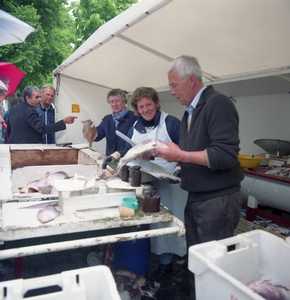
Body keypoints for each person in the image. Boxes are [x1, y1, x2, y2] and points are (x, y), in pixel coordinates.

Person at [155, 55, 244, 299]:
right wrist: (175, 159)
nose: (171, 92)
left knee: (215, 270)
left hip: (218, 202)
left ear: (191, 80)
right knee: (197, 265)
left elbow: (225, 155)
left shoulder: (219, 104)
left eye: (174, 85)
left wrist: (180, 154)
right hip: (196, 199)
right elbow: (192, 152)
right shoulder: (188, 112)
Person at [118, 86, 187, 281]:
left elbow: (186, 147)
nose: (146, 109)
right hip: (147, 182)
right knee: (154, 223)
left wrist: (179, 167)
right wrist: (114, 156)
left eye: (149, 104)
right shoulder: (135, 125)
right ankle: (164, 263)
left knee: (172, 221)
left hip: (171, 182)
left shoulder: (171, 123)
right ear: (136, 109)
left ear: (156, 103)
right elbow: (125, 148)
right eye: (141, 107)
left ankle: (183, 259)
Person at [7, 85, 77, 144]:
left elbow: (8, 129)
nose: (39, 100)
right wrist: (63, 122)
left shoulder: (13, 108)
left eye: (52, 95)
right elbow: (43, 128)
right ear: (27, 98)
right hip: (29, 148)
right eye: (36, 97)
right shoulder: (31, 111)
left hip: (14, 147)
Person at [92, 88, 138, 169]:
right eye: (112, 102)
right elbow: (97, 136)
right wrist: (90, 129)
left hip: (129, 163)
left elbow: (138, 142)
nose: (114, 104)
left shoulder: (135, 117)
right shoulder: (107, 119)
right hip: (111, 162)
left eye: (117, 101)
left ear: (124, 101)